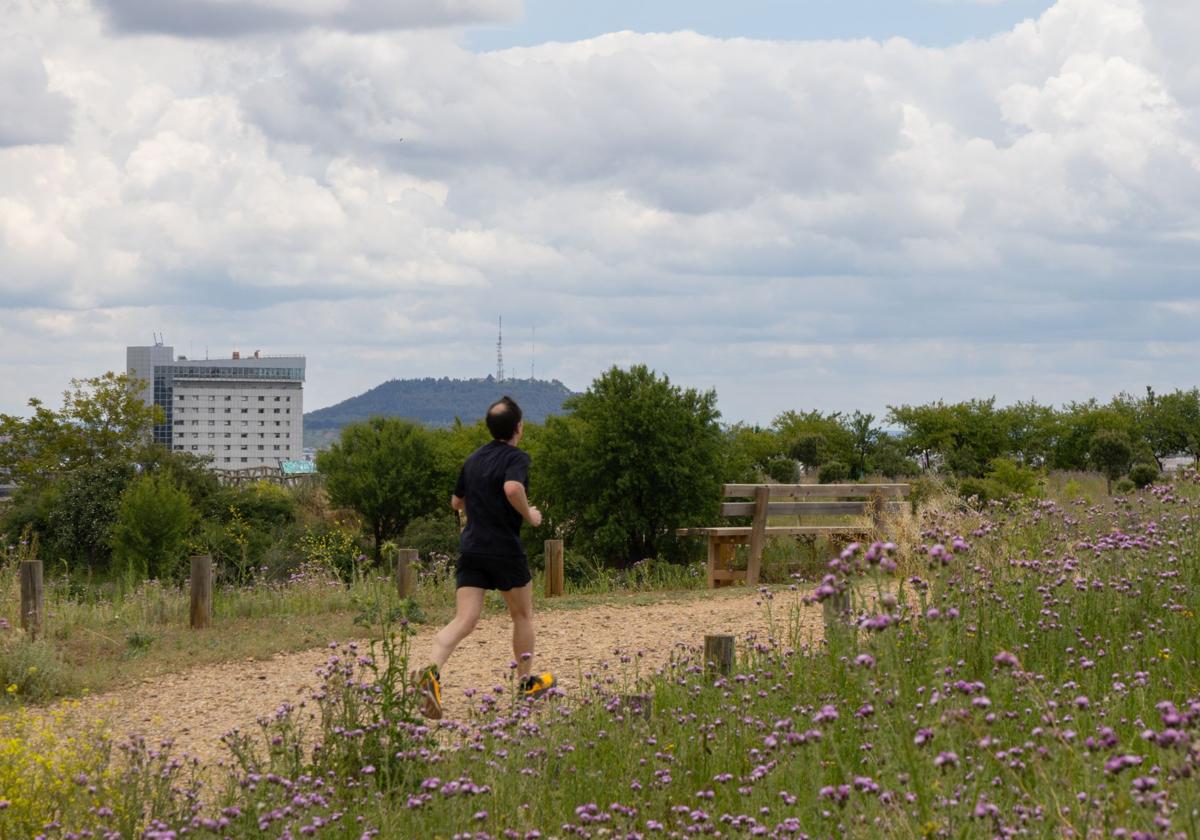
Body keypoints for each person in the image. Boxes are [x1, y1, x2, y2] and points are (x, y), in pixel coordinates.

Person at [414, 395, 556, 719]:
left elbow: (455, 502)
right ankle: (526, 686)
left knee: (464, 619)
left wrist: (479, 501)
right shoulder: (516, 457)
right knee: (522, 616)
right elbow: (511, 489)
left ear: (490, 428)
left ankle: (430, 673)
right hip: (504, 548)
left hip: (472, 547)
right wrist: (530, 515)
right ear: (519, 427)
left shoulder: (473, 459)